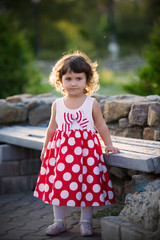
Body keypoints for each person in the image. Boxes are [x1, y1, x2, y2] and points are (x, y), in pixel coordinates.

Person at [33, 51, 120, 237]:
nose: (73, 83)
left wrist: (108, 144)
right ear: (60, 80)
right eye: (68, 78)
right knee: (59, 185)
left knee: (87, 185)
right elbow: (51, 128)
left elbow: (101, 125)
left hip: (86, 154)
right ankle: (59, 221)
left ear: (87, 80)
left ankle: (86, 222)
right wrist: (45, 147)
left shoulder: (91, 103)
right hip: (62, 154)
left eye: (78, 78)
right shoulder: (58, 104)